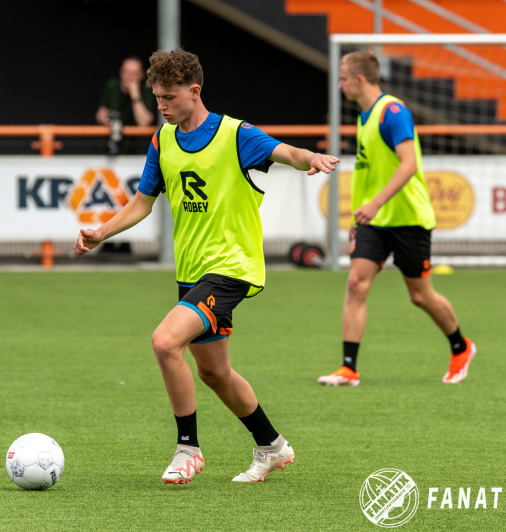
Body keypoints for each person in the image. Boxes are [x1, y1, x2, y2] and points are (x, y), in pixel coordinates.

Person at [74, 48, 339, 484]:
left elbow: (283, 152)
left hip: (233, 268)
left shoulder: (235, 135)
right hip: (192, 271)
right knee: (214, 372)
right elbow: (143, 201)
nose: (160, 104)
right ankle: (272, 447)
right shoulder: (162, 139)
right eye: (156, 96)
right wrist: (102, 232)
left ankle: (187, 450)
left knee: (164, 343)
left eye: (169, 97)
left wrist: (309, 158)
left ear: (194, 92)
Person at [317, 50, 476, 388]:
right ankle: (349, 368)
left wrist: (374, 203)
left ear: (360, 79)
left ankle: (461, 348)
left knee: (420, 295)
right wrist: (362, 213)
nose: (340, 84)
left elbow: (408, 164)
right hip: (373, 220)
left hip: (408, 218)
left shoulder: (393, 112)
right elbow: (371, 172)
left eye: (344, 77)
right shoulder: (364, 117)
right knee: (356, 284)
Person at [96, 56, 157, 154]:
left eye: (134, 74)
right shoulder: (112, 85)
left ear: (141, 75)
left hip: (135, 149)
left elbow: (144, 122)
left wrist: (135, 94)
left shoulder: (146, 90)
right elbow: (100, 114)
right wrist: (108, 118)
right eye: (126, 72)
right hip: (111, 146)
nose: (129, 77)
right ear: (120, 72)